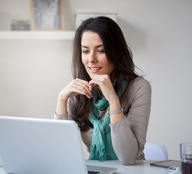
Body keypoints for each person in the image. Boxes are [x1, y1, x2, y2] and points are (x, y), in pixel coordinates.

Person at [54, 17, 151, 165]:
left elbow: (128, 158)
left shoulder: (138, 87)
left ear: (117, 52)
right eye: (85, 51)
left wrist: (113, 100)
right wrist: (61, 99)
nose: (91, 59)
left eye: (101, 51)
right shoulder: (79, 91)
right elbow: (59, 151)